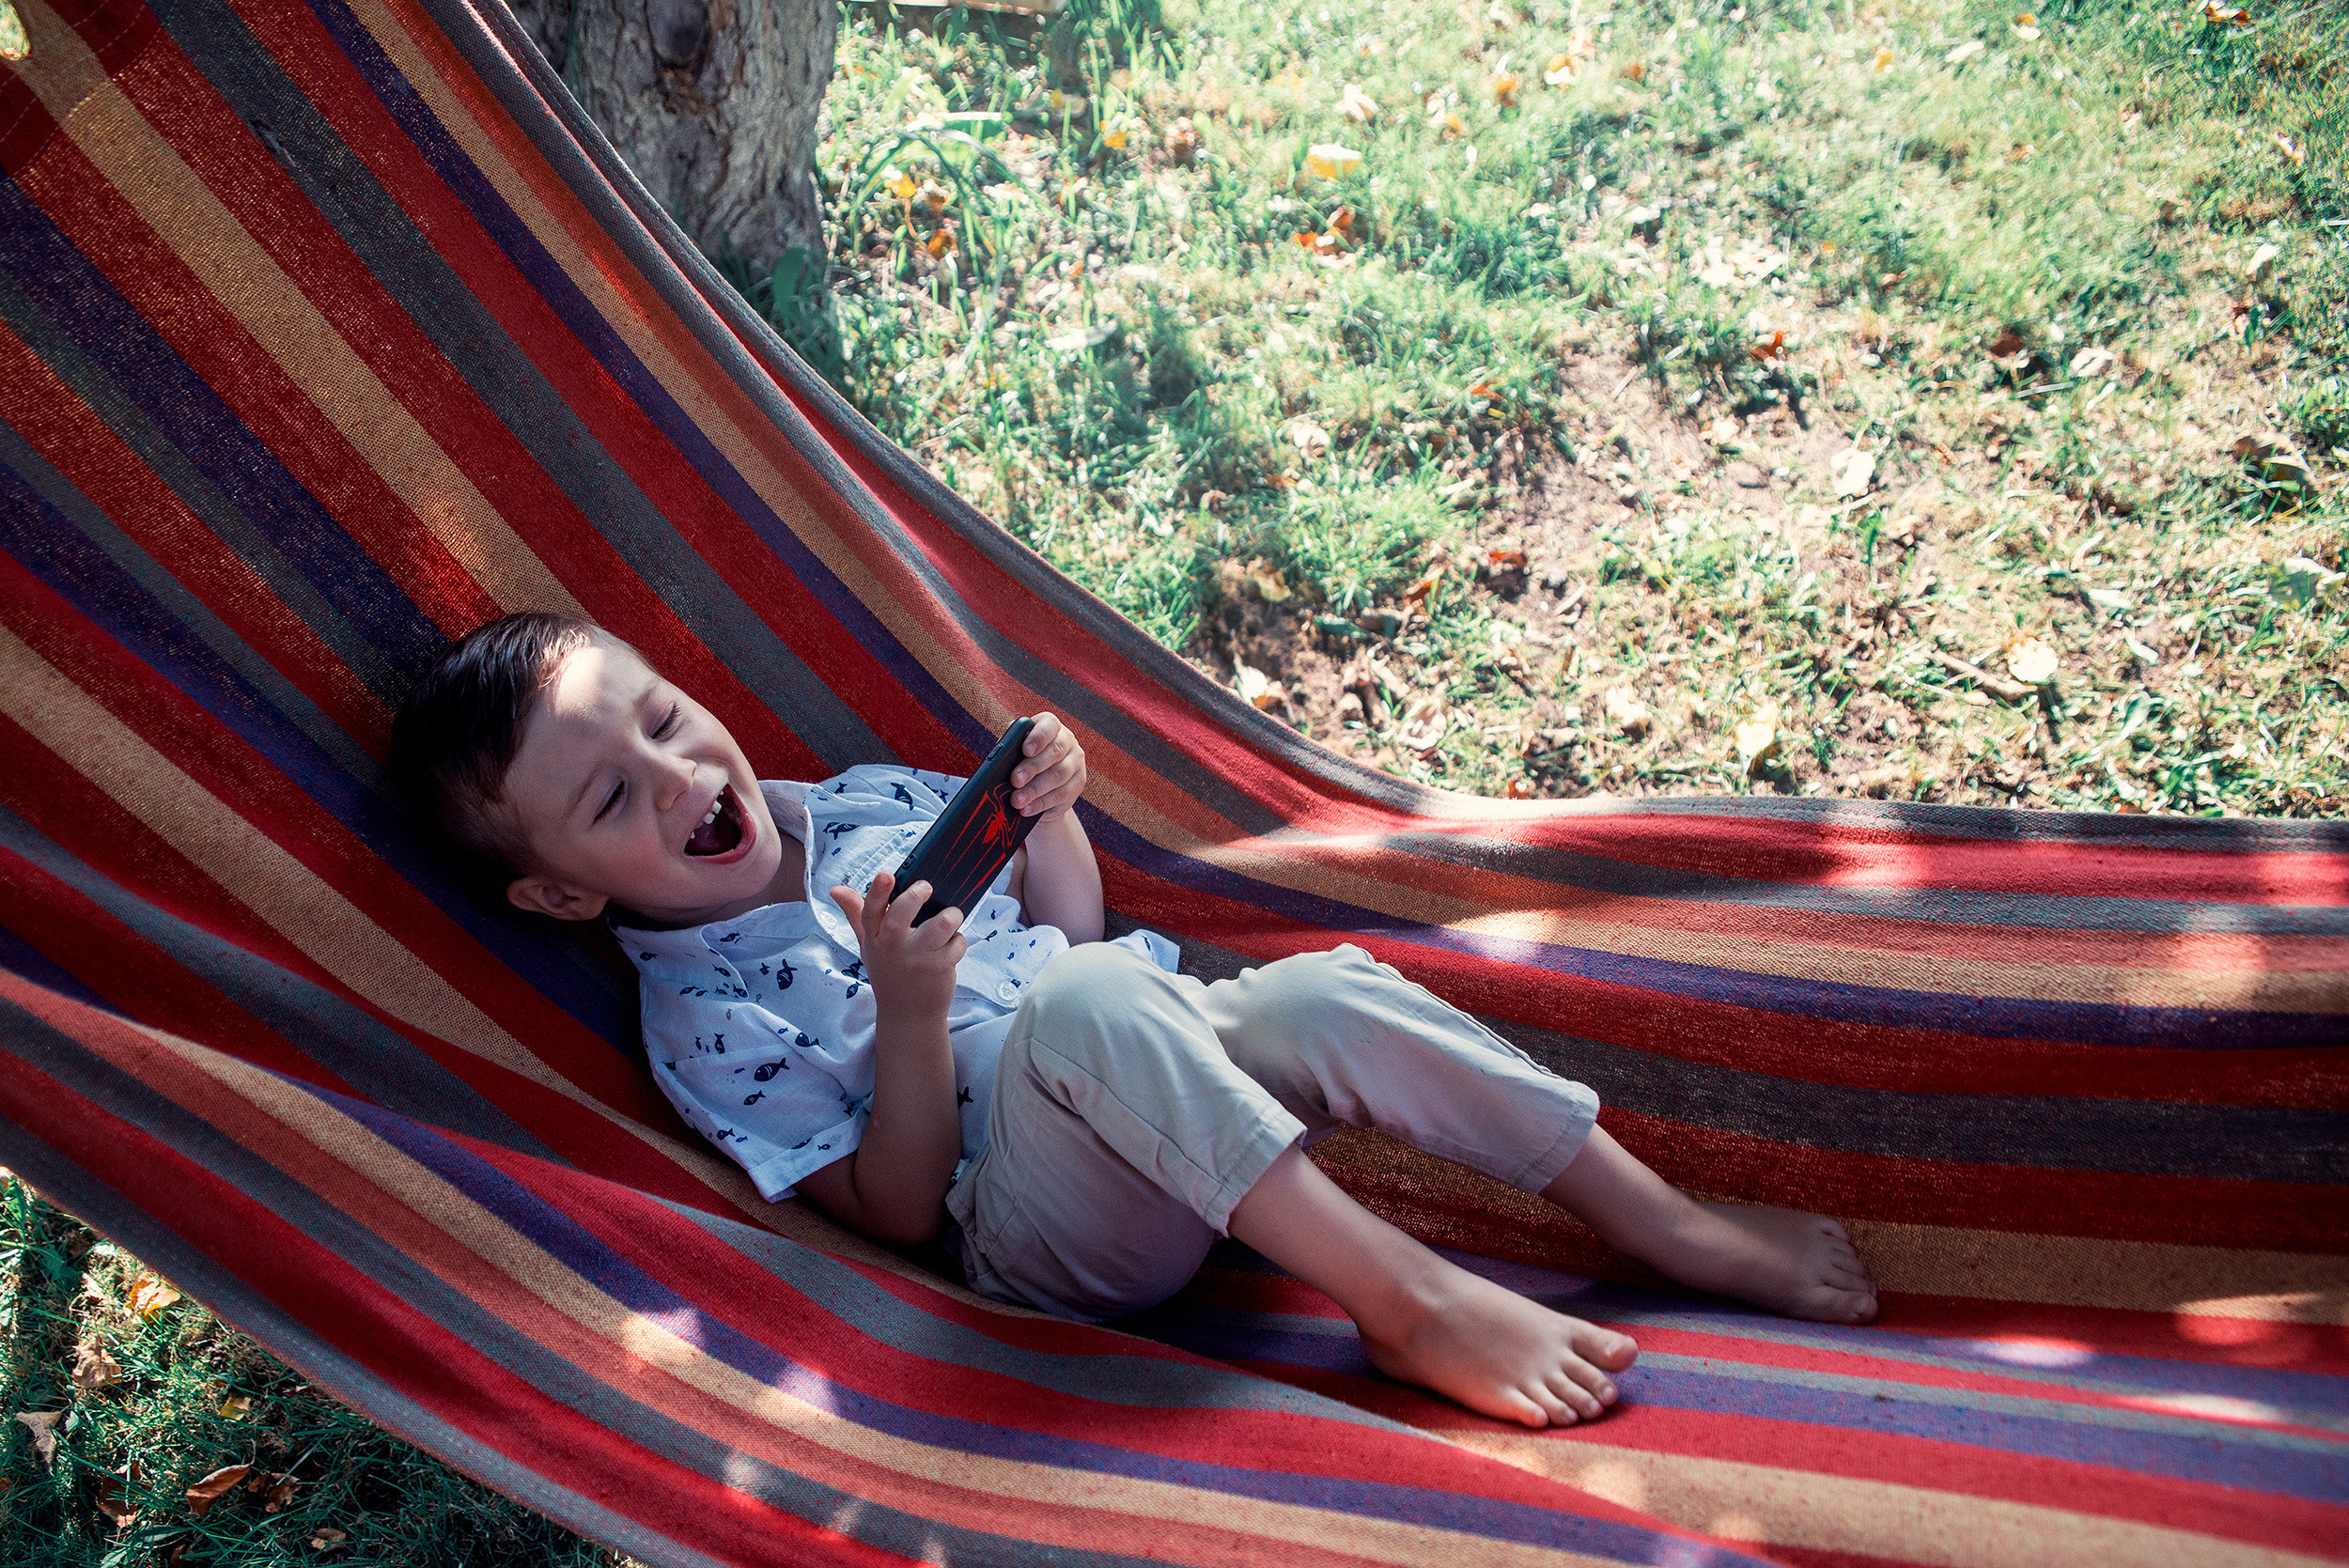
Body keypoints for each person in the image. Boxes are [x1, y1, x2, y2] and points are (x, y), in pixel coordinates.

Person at [392, 613, 1876, 1430]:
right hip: (1046, 1224)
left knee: (1327, 987)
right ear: (561, 898)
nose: (672, 776)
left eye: (658, 716)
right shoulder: (701, 1016)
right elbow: (897, 1208)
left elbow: (1070, 934)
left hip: (1171, 1068)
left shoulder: (849, 799)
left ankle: (1663, 1223)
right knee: (1100, 1005)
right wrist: (908, 1014)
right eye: (608, 799)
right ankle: (1407, 1299)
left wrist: (1052, 814)